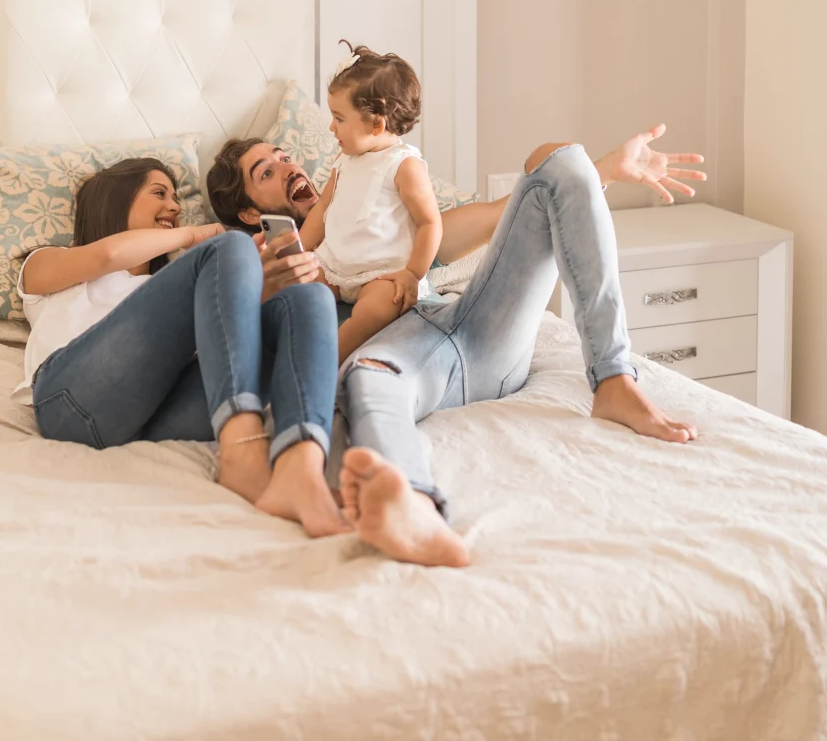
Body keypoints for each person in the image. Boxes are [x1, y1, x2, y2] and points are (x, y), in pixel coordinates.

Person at [207, 125, 706, 567]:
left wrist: (602, 172)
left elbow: (502, 216)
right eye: (266, 171)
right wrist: (277, 286)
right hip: (401, 362)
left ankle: (614, 378)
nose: (289, 165)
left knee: (559, 157)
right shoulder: (265, 279)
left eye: (284, 155)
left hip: (477, 326)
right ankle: (416, 507)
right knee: (368, 376)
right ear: (252, 212)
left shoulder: (382, 212)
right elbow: (280, 367)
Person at [16, 157, 347, 538]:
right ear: (113, 200)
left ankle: (300, 469)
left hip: (153, 418)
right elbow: (107, 256)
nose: (175, 207)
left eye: (176, 198)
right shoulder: (46, 263)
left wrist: (258, 284)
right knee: (232, 246)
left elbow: (223, 356)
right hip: (70, 402)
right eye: (159, 194)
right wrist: (198, 238)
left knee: (308, 300)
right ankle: (241, 450)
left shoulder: (180, 288)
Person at [299, 43, 442, 360]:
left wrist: (412, 274)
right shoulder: (344, 159)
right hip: (333, 266)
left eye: (339, 118)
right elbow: (322, 210)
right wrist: (300, 252)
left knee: (377, 308)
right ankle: (291, 342)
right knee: (299, 289)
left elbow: (430, 223)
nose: (331, 126)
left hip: (380, 274)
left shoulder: (404, 165)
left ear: (377, 123)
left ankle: (330, 358)